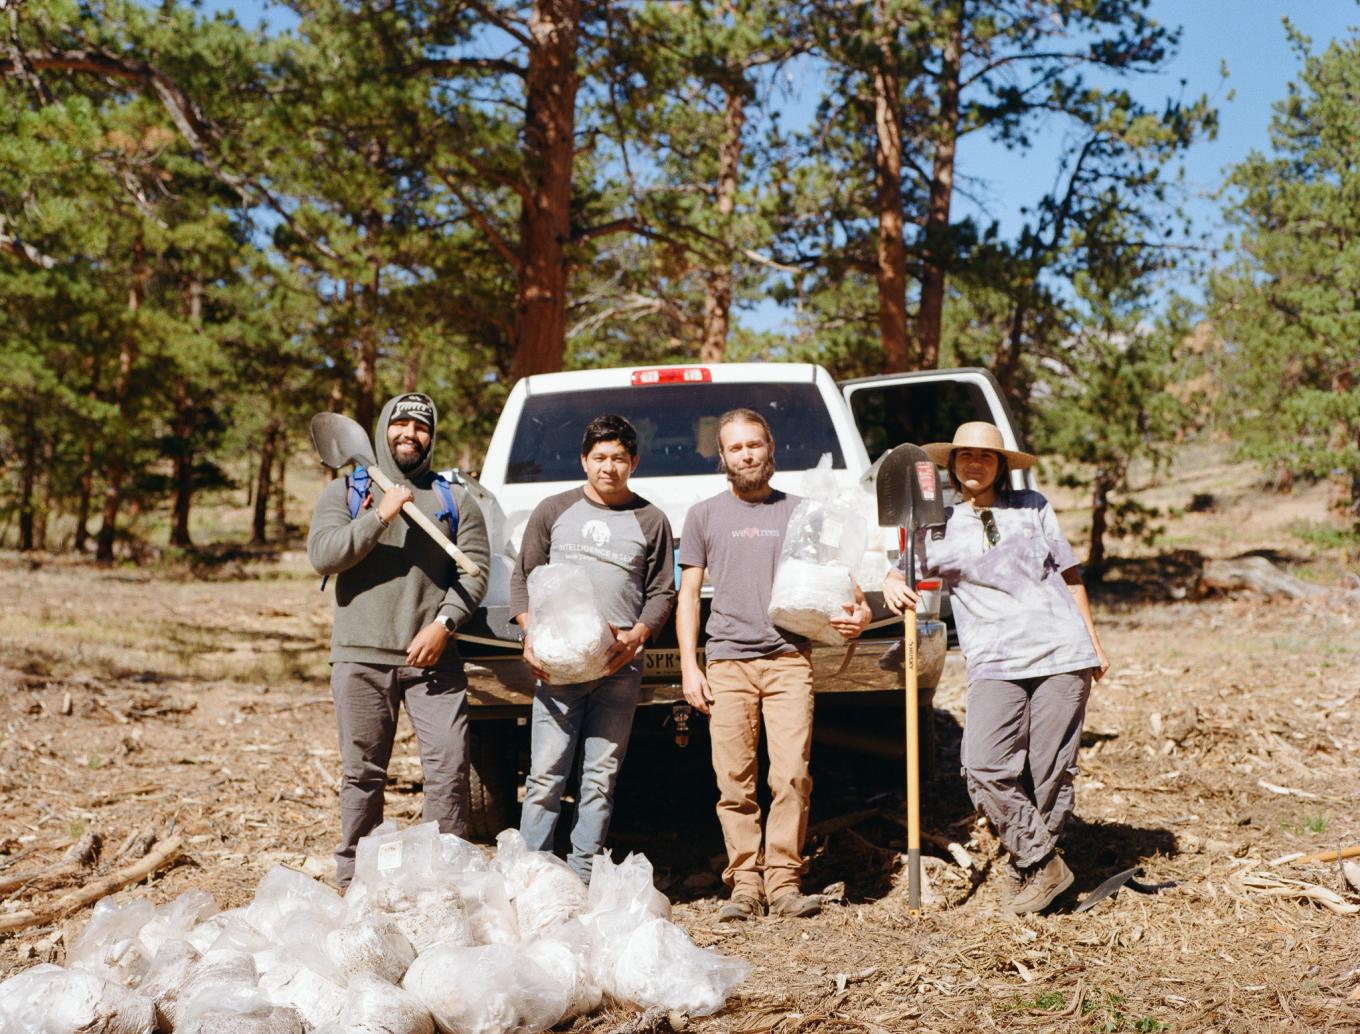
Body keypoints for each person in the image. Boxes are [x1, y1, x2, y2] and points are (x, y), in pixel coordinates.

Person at [883, 421, 1109, 915]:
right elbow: (902, 572)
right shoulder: (934, 522)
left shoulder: (1033, 507)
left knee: (1051, 770)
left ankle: (1033, 873)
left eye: (986, 457)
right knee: (983, 765)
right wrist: (889, 581)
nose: (974, 464)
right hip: (994, 660)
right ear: (952, 463)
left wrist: (1093, 643)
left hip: (1060, 652)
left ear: (1001, 465)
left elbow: (1071, 579)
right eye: (965, 455)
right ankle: (1043, 860)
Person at [678, 408, 871, 921]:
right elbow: (688, 594)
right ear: (722, 456)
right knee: (734, 782)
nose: (747, 454)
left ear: (771, 448)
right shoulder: (703, 515)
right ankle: (745, 884)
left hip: (788, 660)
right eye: (736, 447)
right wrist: (688, 667)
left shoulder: (802, 511)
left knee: (790, 776)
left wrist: (858, 611)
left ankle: (784, 882)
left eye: (754, 444)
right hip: (725, 663)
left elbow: (839, 581)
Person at [307, 393, 490, 890]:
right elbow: (324, 556)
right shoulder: (346, 491)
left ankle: (445, 880)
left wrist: (444, 624)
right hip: (360, 657)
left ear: (432, 437)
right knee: (363, 775)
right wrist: (379, 516)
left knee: (449, 769)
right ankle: (354, 879)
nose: (410, 434)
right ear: (384, 428)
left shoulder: (455, 499)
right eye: (401, 424)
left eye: (421, 427)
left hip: (433, 657)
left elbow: (475, 572)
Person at [510, 414, 676, 881]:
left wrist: (639, 635)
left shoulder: (650, 520)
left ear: (634, 462)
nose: (609, 467)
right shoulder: (554, 510)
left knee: (599, 781)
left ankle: (582, 877)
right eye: (600, 457)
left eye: (619, 458)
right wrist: (530, 636)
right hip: (557, 668)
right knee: (545, 776)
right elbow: (523, 577)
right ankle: (533, 875)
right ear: (584, 460)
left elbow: (663, 590)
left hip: (617, 669)